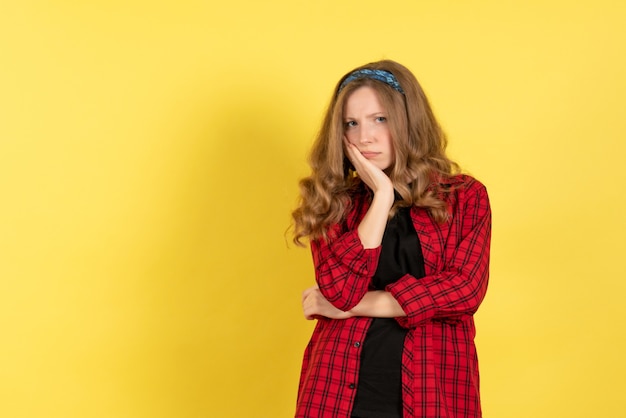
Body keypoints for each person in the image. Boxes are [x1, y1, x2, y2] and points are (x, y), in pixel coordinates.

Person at [291, 60, 491, 418]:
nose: (364, 136)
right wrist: (381, 196)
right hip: (338, 390)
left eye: (379, 119)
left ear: (408, 119)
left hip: (433, 388)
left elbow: (464, 290)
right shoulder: (335, 202)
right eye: (352, 123)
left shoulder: (464, 197)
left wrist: (354, 306)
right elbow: (340, 290)